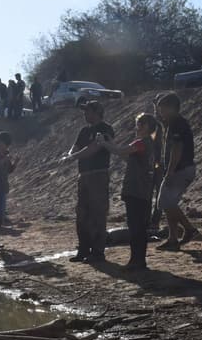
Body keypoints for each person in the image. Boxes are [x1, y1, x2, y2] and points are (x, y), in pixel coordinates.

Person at [100, 113, 161, 271]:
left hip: (136, 191)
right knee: (139, 228)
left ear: (145, 126)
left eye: (139, 124)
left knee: (136, 228)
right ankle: (138, 260)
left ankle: (136, 261)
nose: (136, 127)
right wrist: (111, 143)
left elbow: (120, 151)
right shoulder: (150, 144)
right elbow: (127, 157)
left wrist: (104, 143)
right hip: (144, 192)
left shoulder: (141, 143)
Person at [64, 100, 115, 262]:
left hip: (98, 175)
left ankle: (98, 251)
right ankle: (84, 249)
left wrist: (71, 157)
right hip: (84, 175)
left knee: (98, 214)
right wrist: (69, 155)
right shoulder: (84, 130)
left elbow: (93, 148)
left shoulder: (105, 129)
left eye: (88, 111)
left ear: (97, 112)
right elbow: (76, 146)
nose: (85, 114)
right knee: (82, 214)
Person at [153, 92, 200, 250]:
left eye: (162, 109)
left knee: (166, 202)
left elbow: (177, 149)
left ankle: (189, 229)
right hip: (180, 169)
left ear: (172, 108)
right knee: (168, 204)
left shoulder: (176, 123)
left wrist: (170, 172)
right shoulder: (173, 123)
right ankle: (173, 238)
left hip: (180, 169)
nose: (160, 112)